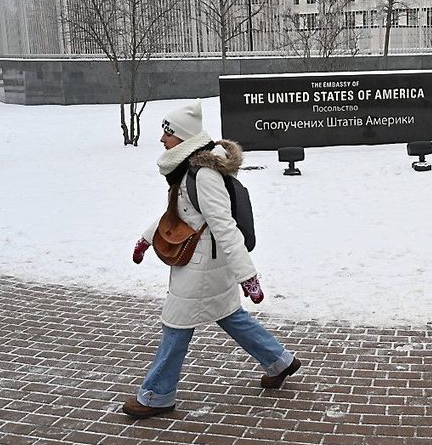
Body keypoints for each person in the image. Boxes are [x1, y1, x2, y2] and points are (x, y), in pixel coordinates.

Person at [123, 100, 301, 419]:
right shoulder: (186, 167)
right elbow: (178, 213)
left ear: (183, 137)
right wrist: (146, 239)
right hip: (205, 262)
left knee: (176, 325)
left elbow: (224, 225)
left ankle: (156, 395)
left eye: (167, 134)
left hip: (201, 266)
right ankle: (280, 361)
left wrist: (249, 276)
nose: (162, 140)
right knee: (231, 316)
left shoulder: (203, 174)